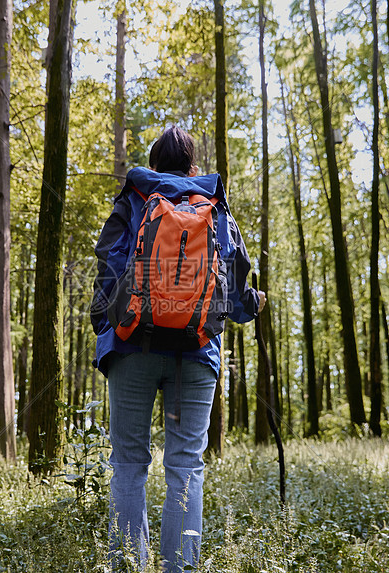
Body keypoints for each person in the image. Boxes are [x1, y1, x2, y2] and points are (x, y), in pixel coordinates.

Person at [91, 126, 265, 572]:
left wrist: (106, 327)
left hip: (132, 348)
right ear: (192, 166)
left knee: (129, 463)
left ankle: (129, 566)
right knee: (186, 465)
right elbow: (234, 285)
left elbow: (108, 266)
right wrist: (252, 306)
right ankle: (178, 568)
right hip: (197, 353)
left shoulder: (136, 197)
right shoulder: (214, 206)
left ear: (153, 163)